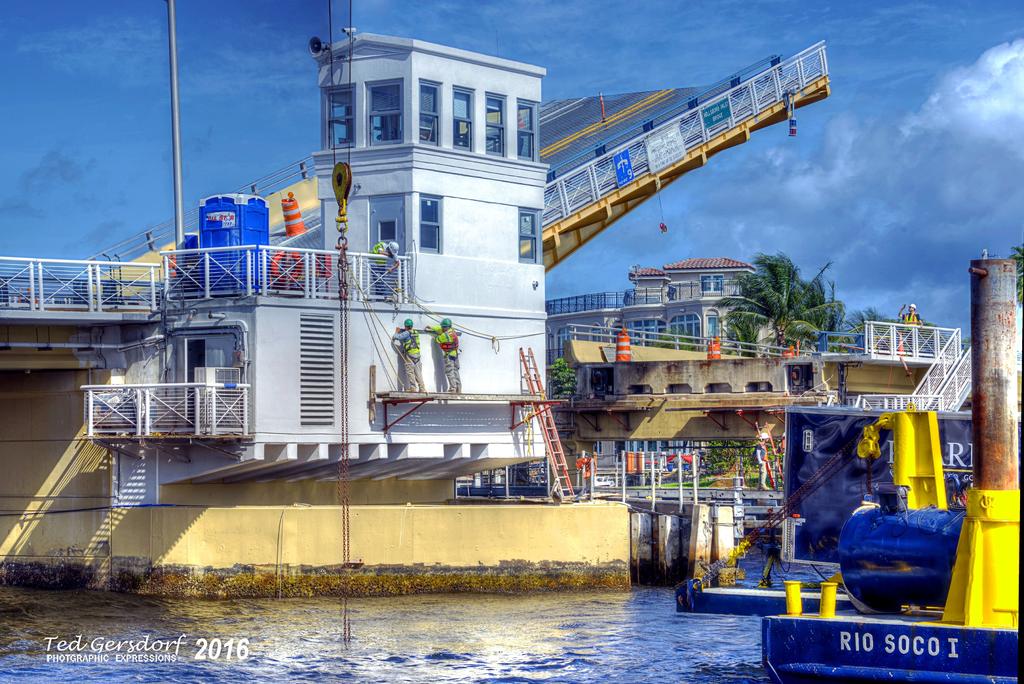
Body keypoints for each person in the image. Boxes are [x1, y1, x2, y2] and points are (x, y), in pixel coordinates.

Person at [426, 318, 461, 393]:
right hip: (455, 354)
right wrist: (432, 327)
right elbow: (439, 328)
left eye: (443, 327)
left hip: (449, 356)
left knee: (449, 372)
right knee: (455, 372)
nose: (442, 328)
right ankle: (458, 388)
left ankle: (453, 389)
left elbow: (437, 339)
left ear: (446, 327)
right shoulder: (452, 331)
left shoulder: (445, 335)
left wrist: (430, 332)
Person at [392, 318, 425, 393]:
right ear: (412, 326)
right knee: (418, 372)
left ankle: (413, 388)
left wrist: (396, 332)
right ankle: (422, 388)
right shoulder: (416, 332)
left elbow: (396, 337)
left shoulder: (406, 333)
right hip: (417, 355)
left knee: (410, 371)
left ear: (405, 326)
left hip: (410, 355)